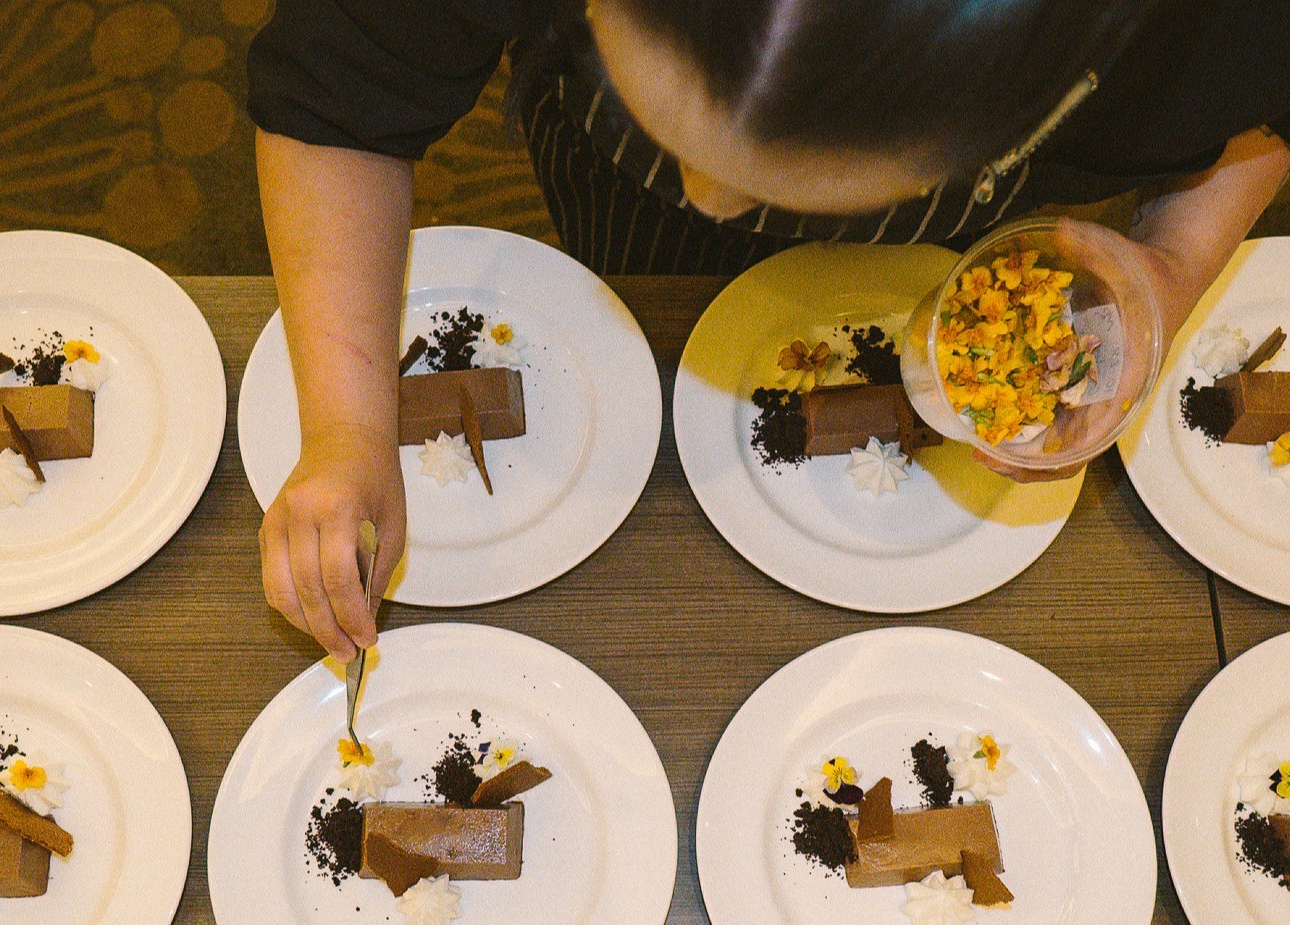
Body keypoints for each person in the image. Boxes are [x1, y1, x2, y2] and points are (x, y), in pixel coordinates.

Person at [247, 0, 1290, 662]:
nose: (709, 201)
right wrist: (343, 428)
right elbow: (337, 100)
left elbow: (1267, 102)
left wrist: (1169, 265)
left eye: (773, 182)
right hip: (617, 229)